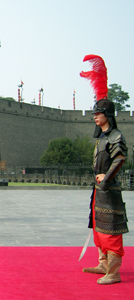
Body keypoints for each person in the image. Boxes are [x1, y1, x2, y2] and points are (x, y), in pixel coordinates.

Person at [80, 54, 128, 285]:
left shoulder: (116, 136)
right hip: (99, 188)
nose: (94, 117)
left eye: (97, 113)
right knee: (99, 228)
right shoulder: (102, 138)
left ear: (106, 115)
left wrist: (107, 179)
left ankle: (114, 272)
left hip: (109, 189)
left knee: (110, 230)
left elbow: (119, 159)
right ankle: (103, 264)